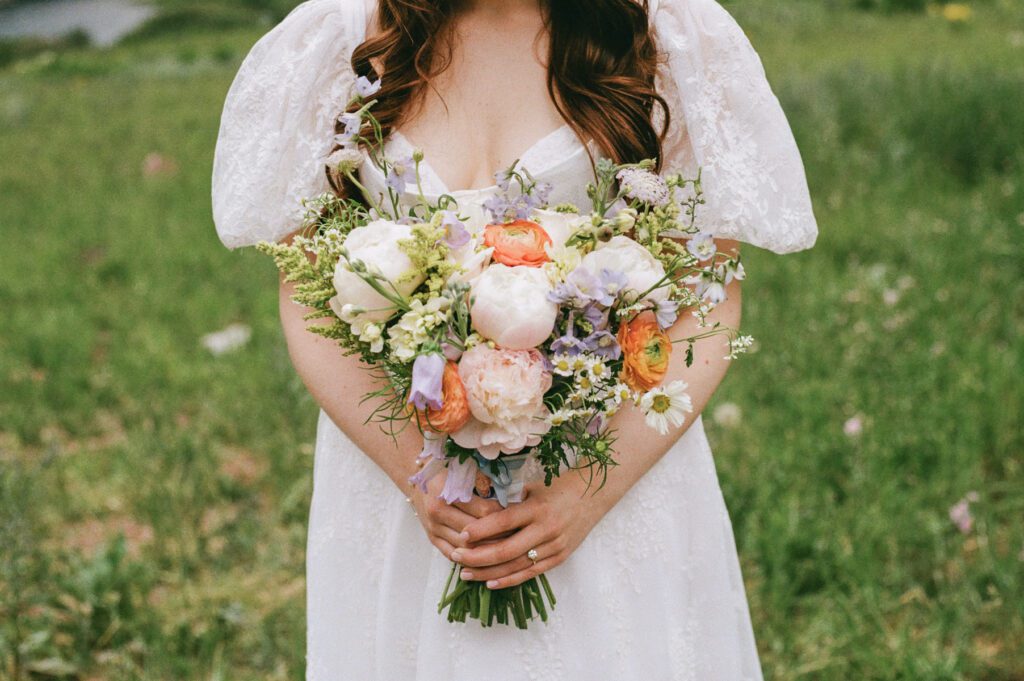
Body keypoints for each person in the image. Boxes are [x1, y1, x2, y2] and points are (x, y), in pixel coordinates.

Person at [212, 0, 817, 678]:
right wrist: (422, 479)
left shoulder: (669, 34)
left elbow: (711, 296)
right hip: (406, 483)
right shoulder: (341, 37)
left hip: (608, 468)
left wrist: (586, 493)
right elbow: (306, 293)